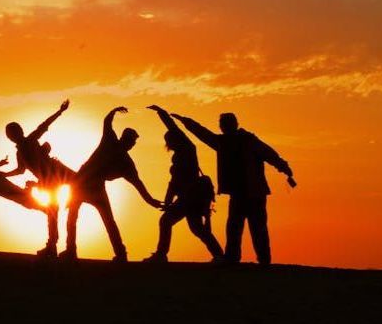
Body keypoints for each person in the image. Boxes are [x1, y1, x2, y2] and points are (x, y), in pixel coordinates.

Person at [170, 111, 295, 266]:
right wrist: (185, 121)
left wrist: (284, 167)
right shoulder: (230, 142)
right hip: (244, 193)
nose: (223, 127)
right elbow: (202, 133)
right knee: (242, 227)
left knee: (248, 227)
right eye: (223, 125)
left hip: (252, 193)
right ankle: (245, 259)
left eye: (224, 125)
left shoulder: (242, 141)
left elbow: (269, 154)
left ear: (230, 125)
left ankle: (251, 260)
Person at [64, 107, 162, 262]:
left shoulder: (126, 164)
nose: (131, 144)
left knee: (107, 221)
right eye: (130, 141)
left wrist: (151, 200)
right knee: (72, 218)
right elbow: (107, 122)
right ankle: (71, 250)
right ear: (124, 138)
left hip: (94, 187)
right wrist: (113, 111)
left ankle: (120, 253)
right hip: (81, 184)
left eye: (133, 142)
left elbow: (138, 184)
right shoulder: (110, 141)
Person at [142, 106, 223, 263]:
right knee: (197, 228)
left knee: (167, 222)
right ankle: (219, 255)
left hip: (190, 197)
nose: (169, 144)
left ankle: (161, 255)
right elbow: (173, 183)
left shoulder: (188, 150)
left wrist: (162, 113)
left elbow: (173, 128)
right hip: (188, 197)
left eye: (170, 141)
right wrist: (168, 200)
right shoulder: (180, 154)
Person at [2, 100, 77, 257]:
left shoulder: (30, 140)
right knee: (52, 212)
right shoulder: (20, 153)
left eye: (14, 132)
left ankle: (61, 247)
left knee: (62, 206)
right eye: (10, 134)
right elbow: (20, 170)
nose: (13, 136)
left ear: (19, 132)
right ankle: (53, 246)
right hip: (48, 182)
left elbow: (44, 125)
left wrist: (60, 111)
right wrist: (3, 174)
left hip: (57, 174)